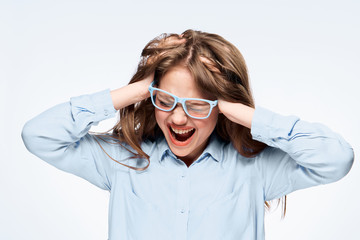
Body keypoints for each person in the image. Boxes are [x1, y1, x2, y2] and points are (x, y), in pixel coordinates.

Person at [21, 29, 354, 240]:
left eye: (196, 104)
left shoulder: (255, 169)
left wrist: (242, 112)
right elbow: (39, 135)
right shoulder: (122, 161)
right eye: (166, 100)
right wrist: (135, 89)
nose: (178, 117)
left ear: (220, 106)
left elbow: (336, 160)